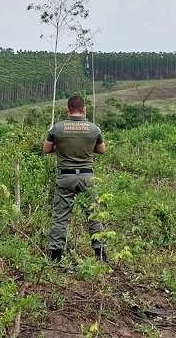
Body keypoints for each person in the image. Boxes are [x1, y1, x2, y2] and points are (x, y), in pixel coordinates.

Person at [43, 95, 107, 262]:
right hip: (87, 176)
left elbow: (46, 148)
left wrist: (62, 147)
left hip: (65, 177)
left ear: (67, 109)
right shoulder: (94, 129)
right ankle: (100, 255)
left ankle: (55, 257)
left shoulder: (56, 128)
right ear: (84, 109)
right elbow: (101, 149)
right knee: (93, 215)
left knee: (60, 217)